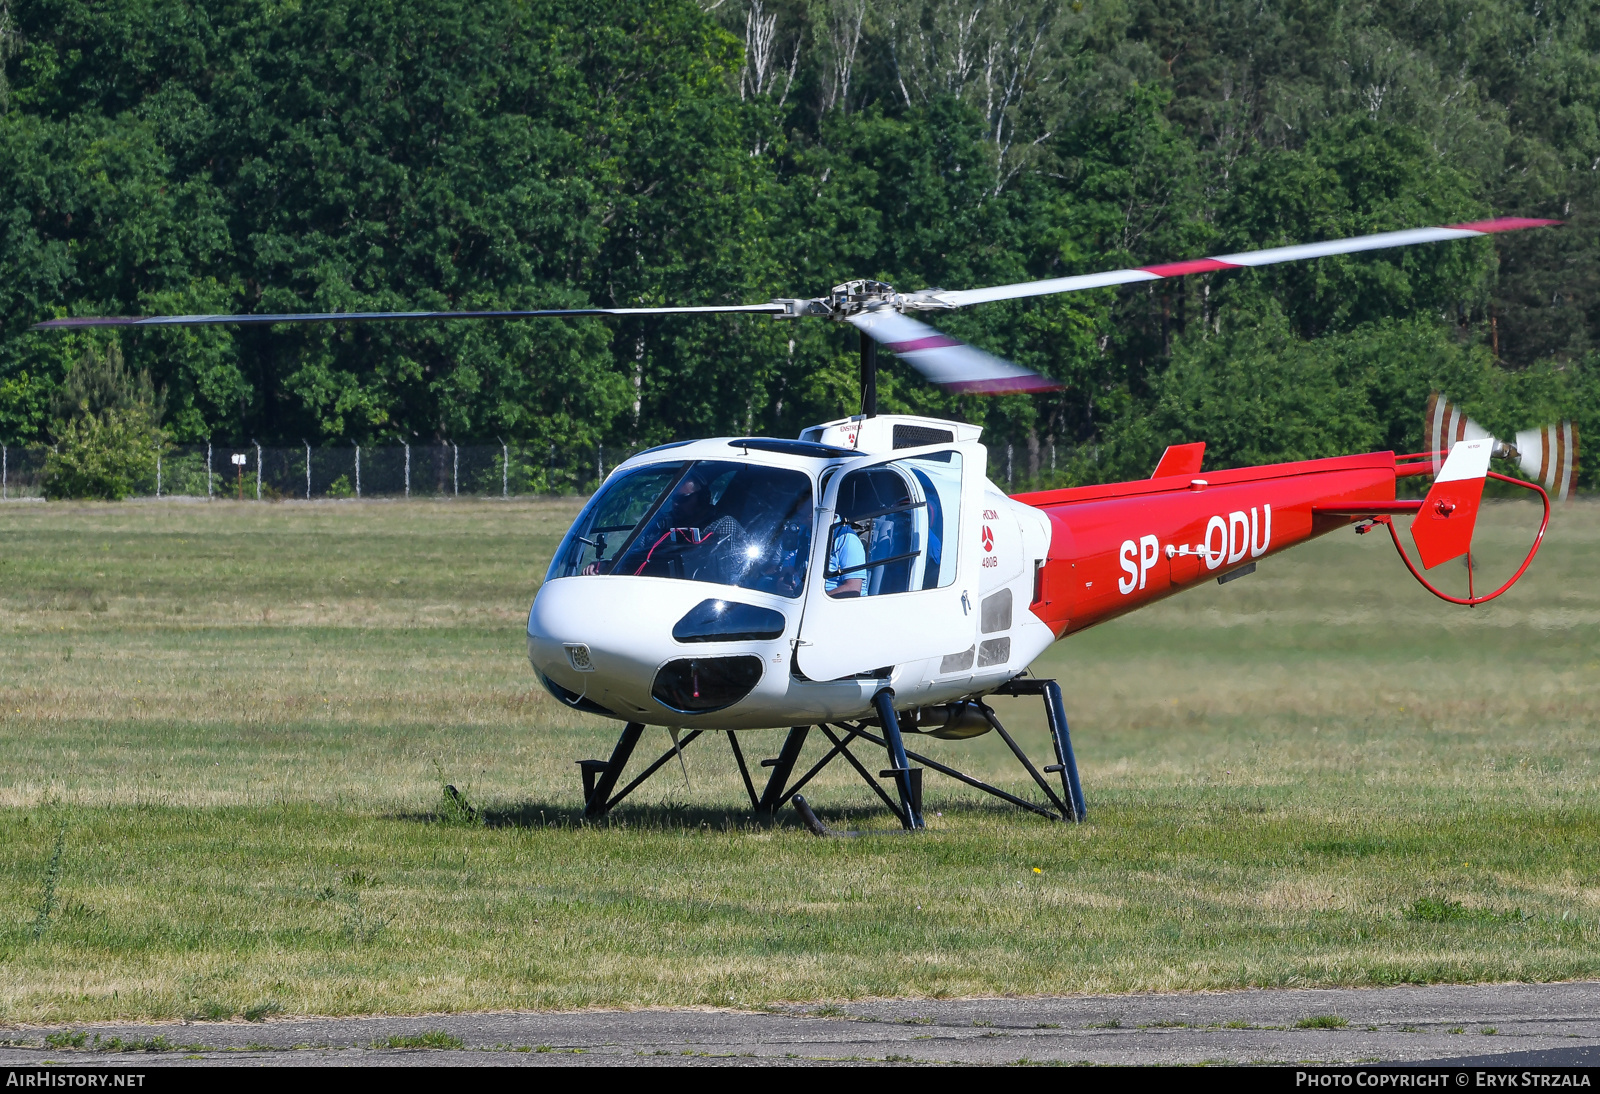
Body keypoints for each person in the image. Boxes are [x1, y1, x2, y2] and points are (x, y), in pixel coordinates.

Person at [826, 521, 867, 597]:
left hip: (837, 603)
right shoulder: (807, 533)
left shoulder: (847, 538)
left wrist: (813, 600)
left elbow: (852, 589)